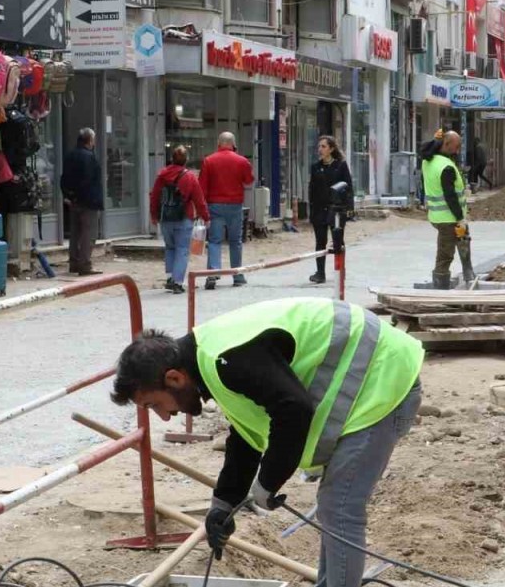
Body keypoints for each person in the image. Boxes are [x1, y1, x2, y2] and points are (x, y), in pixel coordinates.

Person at [109, 297, 423, 587]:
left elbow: (293, 410)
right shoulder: (212, 363)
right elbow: (245, 436)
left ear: (175, 378)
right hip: (371, 380)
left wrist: (267, 482)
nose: (164, 417)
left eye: (155, 405)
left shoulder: (227, 358)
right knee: (334, 506)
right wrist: (223, 504)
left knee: (340, 507)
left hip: (384, 379)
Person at [150, 146, 209, 294]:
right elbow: (199, 199)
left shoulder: (162, 175)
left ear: (172, 158)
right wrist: (205, 216)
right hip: (184, 217)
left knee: (170, 247)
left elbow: (155, 196)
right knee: (182, 250)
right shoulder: (189, 177)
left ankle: (170, 277)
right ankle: (177, 282)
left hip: (165, 218)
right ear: (186, 160)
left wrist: (154, 215)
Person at [199, 132, 254, 290]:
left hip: (214, 205)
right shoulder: (241, 161)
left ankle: (213, 272)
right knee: (235, 241)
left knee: (215, 240)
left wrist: (202, 209)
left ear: (218, 143)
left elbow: (202, 186)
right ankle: (237, 275)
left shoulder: (208, 161)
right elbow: (249, 180)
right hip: (234, 205)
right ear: (233, 144)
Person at [422, 130, 475, 288]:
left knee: (463, 239)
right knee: (445, 254)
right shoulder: (446, 167)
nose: (457, 150)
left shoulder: (428, 161)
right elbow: (450, 196)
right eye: (456, 146)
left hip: (438, 216)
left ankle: (469, 273)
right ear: (446, 144)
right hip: (448, 218)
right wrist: (460, 218)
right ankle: (440, 287)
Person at [307, 136, 352, 284]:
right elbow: (312, 189)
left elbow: (348, 187)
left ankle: (340, 271)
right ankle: (320, 273)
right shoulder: (315, 167)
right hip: (319, 209)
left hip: (336, 209)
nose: (320, 149)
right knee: (320, 241)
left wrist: (349, 209)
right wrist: (311, 210)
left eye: (324, 146)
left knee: (338, 241)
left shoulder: (340, 166)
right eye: (319, 146)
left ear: (331, 149)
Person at [61, 128, 103, 275]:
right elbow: (89, 180)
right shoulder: (90, 157)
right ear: (90, 141)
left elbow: (64, 178)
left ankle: (74, 263)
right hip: (88, 201)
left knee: (75, 233)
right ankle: (85, 264)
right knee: (88, 234)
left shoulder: (70, 155)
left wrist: (69, 195)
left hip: (74, 201)